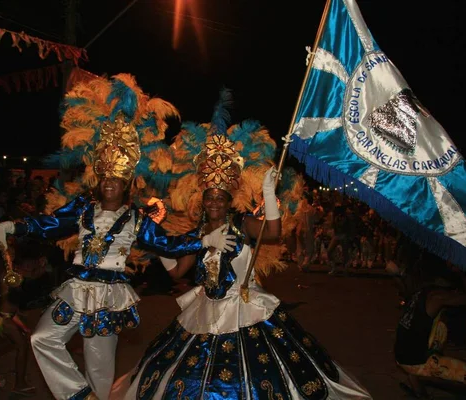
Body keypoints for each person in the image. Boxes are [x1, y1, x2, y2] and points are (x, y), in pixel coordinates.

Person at [0, 74, 235, 400]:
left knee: (100, 368)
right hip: (75, 290)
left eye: (116, 179)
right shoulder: (81, 208)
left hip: (110, 295)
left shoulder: (136, 219)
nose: (109, 183)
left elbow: (168, 244)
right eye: (105, 177)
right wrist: (13, 227)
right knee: (42, 339)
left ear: (126, 184)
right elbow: (48, 224)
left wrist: (204, 241)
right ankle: (79, 395)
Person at [114, 97, 372, 399]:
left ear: (228, 201)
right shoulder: (195, 233)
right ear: (202, 199)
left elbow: (273, 232)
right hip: (204, 308)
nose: (213, 202)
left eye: (220, 198)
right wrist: (156, 242)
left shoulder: (243, 223)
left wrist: (267, 192)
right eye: (209, 197)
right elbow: (179, 272)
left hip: (244, 307)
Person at [394, 261, 466, 398]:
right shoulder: (438, 297)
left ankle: (417, 377)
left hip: (401, 354)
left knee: (441, 323)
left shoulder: (421, 291)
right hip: (414, 360)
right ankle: (421, 377)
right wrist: (464, 277)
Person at [0, 236, 35, 396]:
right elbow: (6, 292)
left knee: (12, 343)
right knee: (22, 346)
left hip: (10, 314)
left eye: (12, 249)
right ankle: (20, 384)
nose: (11, 252)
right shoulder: (4, 271)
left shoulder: (13, 270)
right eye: (8, 251)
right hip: (4, 317)